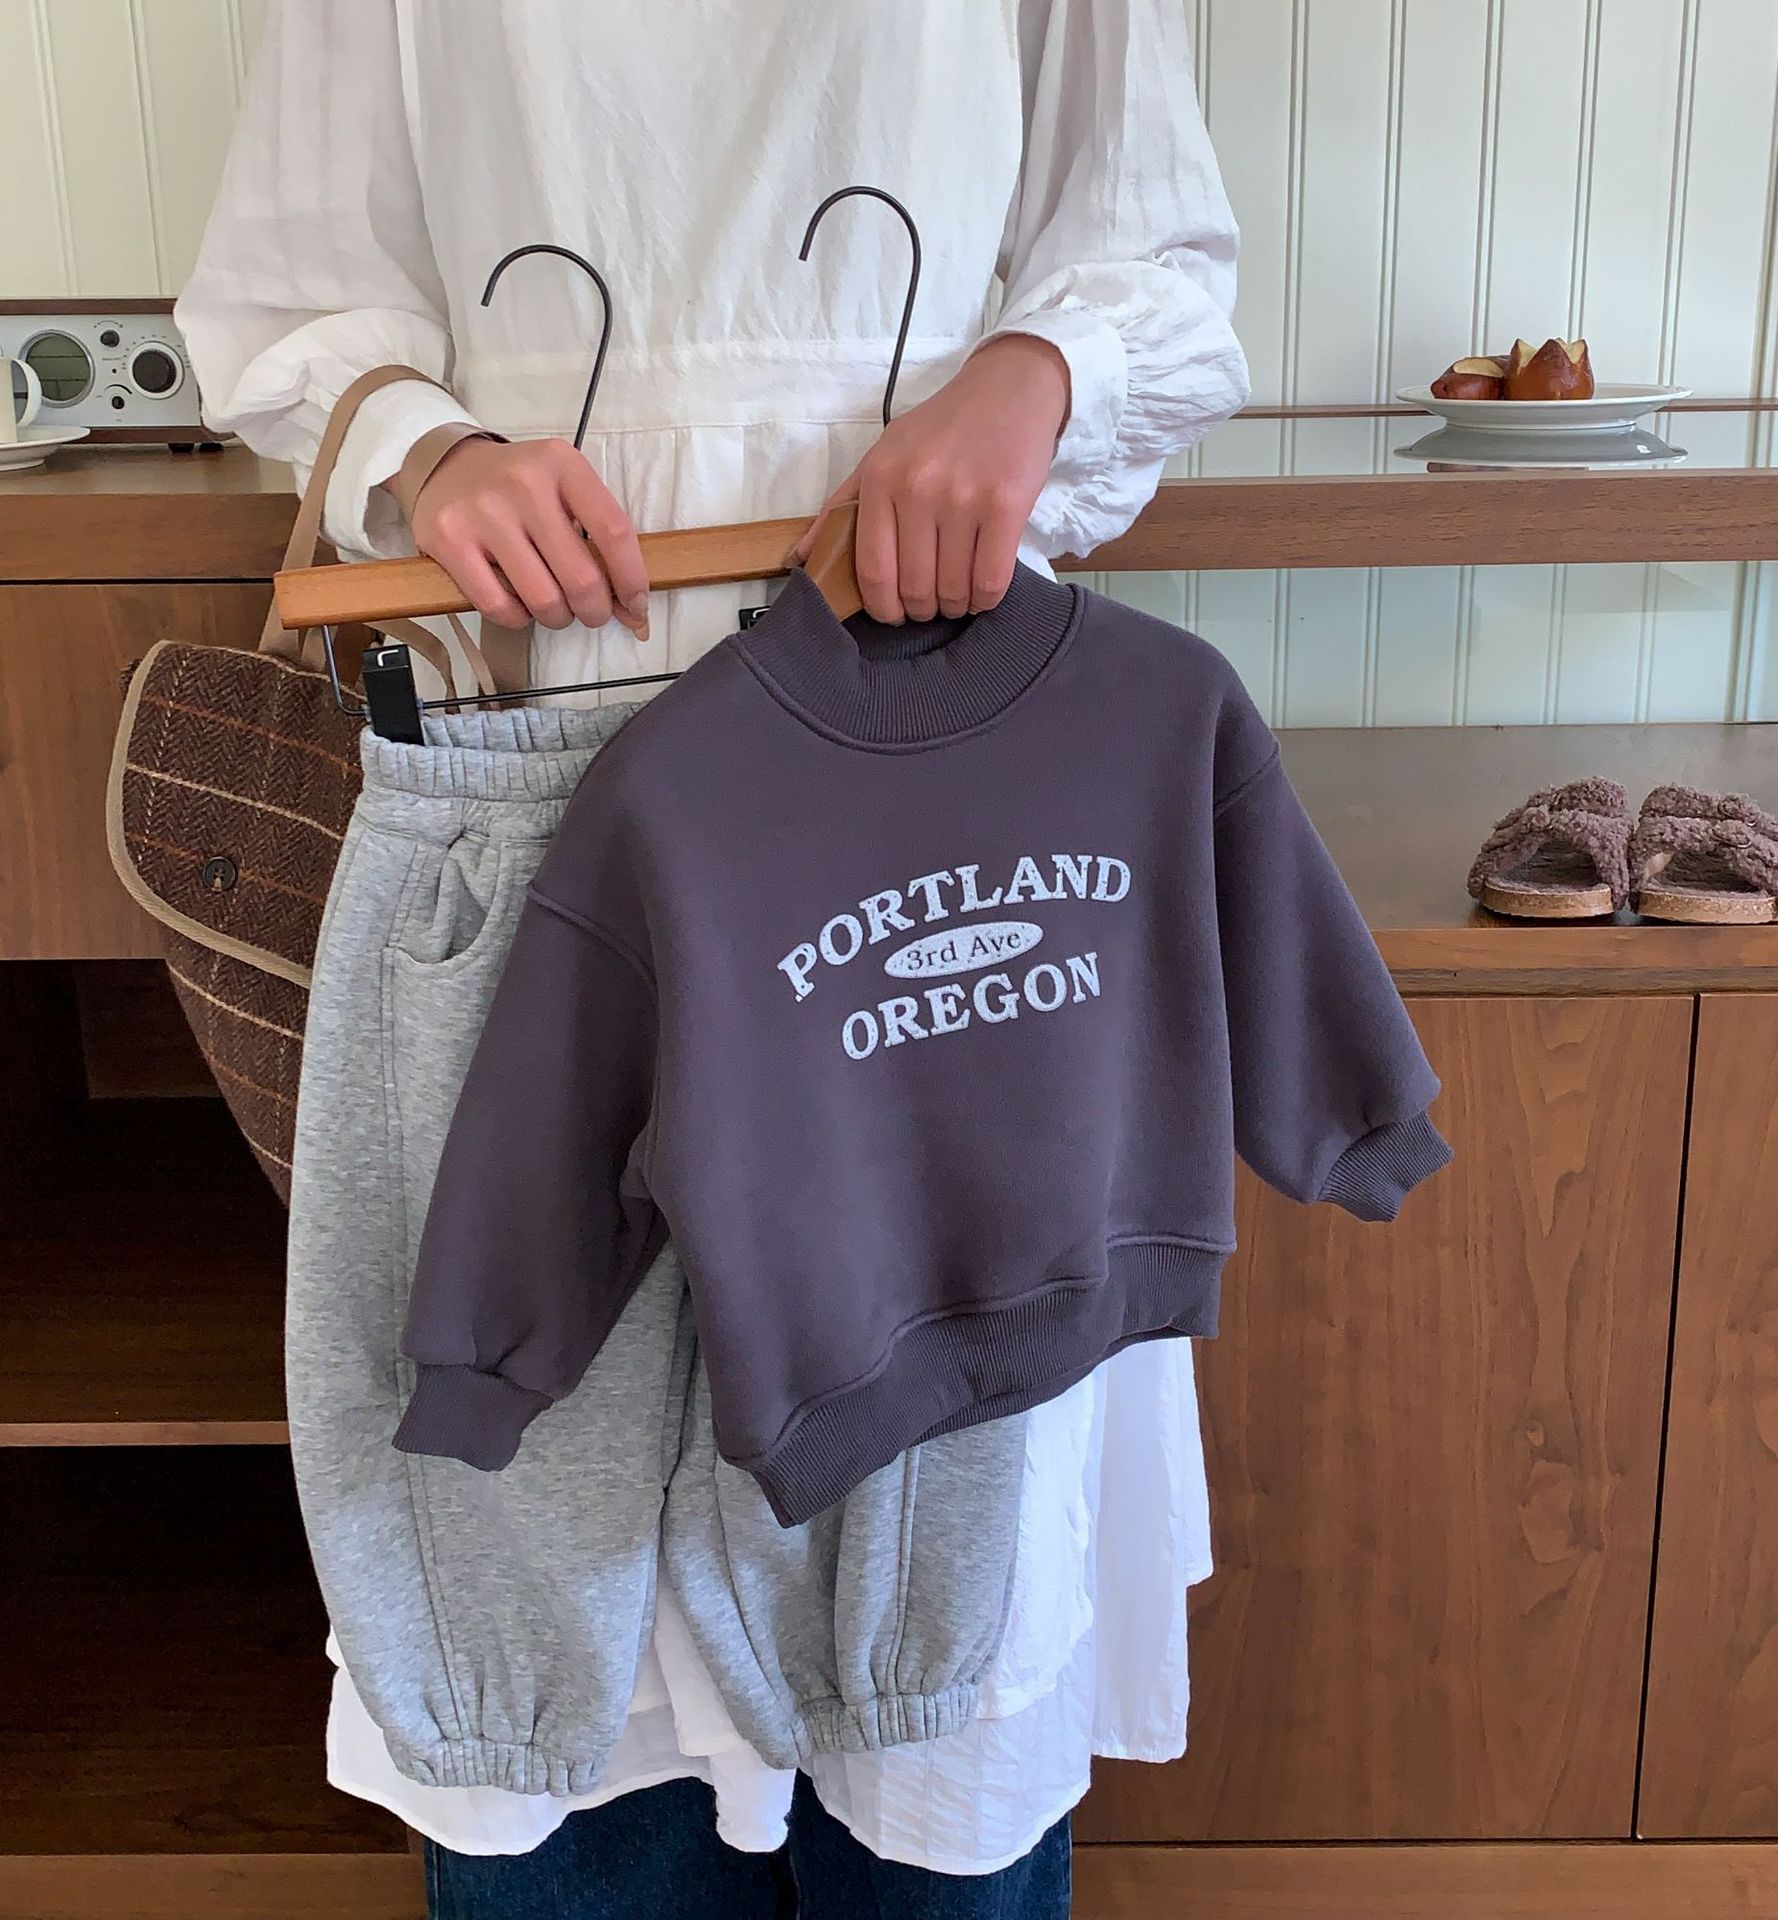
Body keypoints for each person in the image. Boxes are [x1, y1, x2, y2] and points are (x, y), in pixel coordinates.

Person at [178, 3, 1247, 1915]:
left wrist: (1030, 375)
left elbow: (1151, 249)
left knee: (931, 1577)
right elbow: (290, 290)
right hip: (523, 718)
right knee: (555, 1637)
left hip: (936, 772)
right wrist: (429, 451)